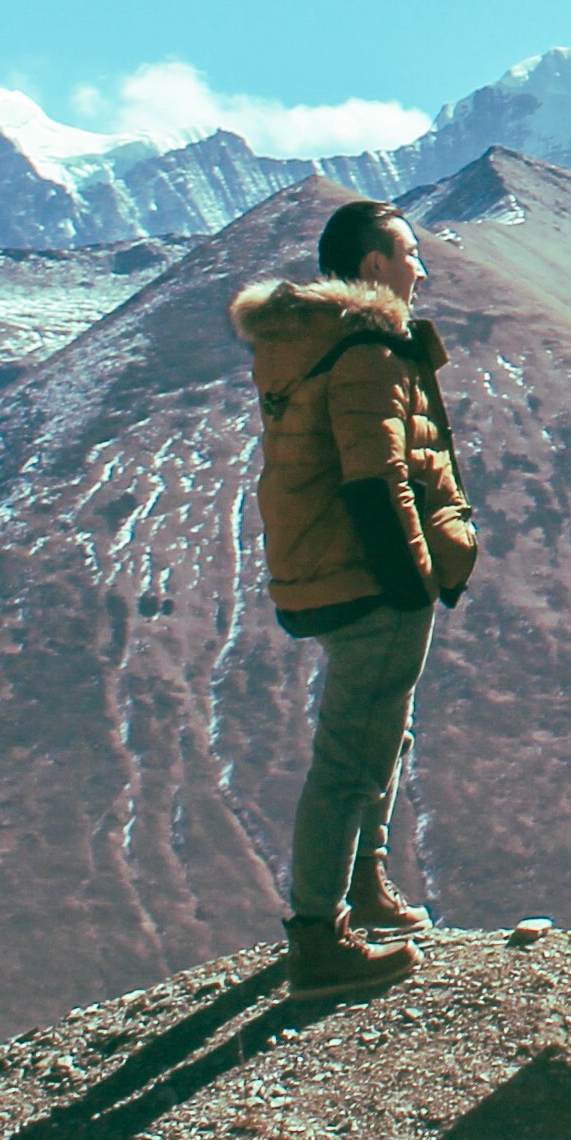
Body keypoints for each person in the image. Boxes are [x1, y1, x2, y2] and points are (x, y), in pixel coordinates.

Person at [236, 196, 479, 999]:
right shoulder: (367, 349)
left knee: (380, 733)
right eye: (409, 252)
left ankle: (367, 887)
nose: (421, 266)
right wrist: (414, 585)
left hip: (327, 569)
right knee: (351, 752)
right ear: (373, 265)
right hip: (371, 577)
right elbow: (378, 479)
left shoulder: (311, 342)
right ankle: (319, 936)